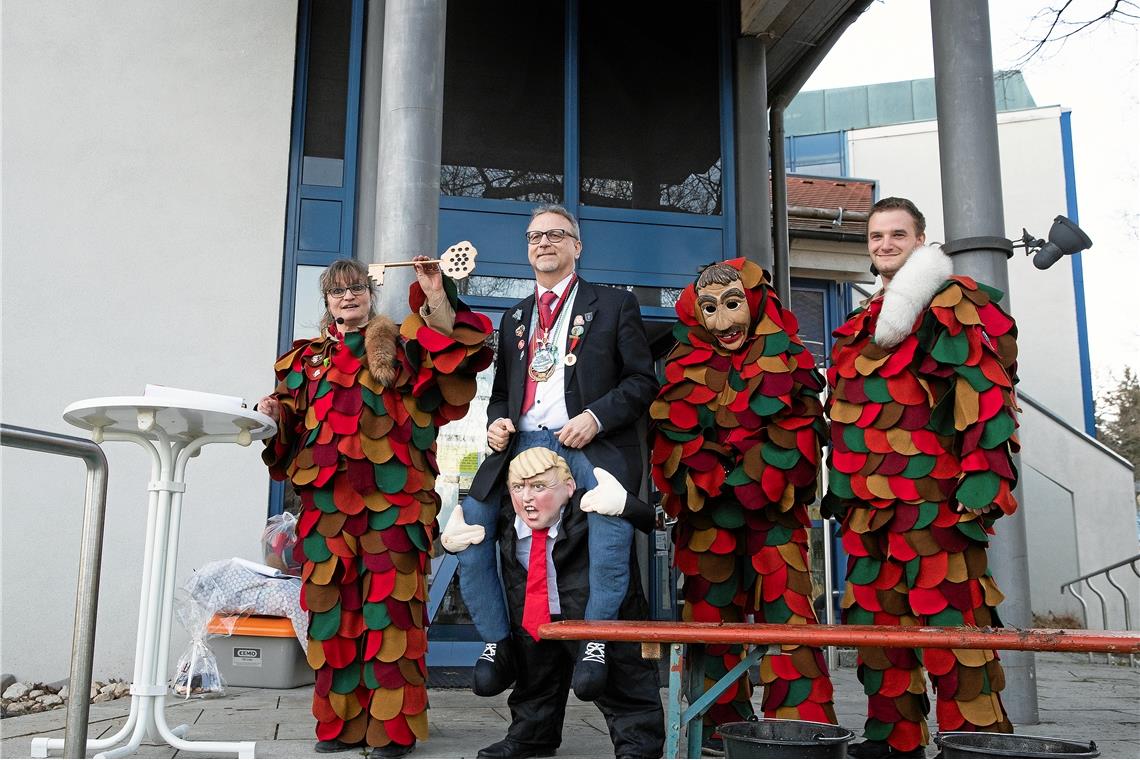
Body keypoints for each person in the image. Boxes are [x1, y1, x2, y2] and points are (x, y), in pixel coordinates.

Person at [258, 257, 493, 759]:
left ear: (370, 293)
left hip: (396, 503)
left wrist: (434, 294)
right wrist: (273, 413)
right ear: (326, 301)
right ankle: (340, 726)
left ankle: (392, 731)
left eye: (356, 288)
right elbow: (288, 428)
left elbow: (450, 357)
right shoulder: (303, 361)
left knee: (392, 612)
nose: (348, 297)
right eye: (337, 291)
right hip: (326, 507)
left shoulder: (402, 346)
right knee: (332, 613)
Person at [823, 197, 1020, 758]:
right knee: (880, 635)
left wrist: (983, 481)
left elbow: (985, 395)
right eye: (876, 236)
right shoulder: (863, 322)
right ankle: (894, 739)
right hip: (867, 510)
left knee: (952, 628)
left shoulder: (951, 303)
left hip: (933, 504)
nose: (884, 244)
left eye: (897, 235)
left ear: (920, 239)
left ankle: (973, 743)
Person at [444, 204, 657, 701]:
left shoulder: (614, 303)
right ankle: (497, 641)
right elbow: (502, 392)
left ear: (576, 246)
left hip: (584, 438)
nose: (543, 243)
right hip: (522, 443)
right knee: (468, 521)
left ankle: (597, 641)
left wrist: (597, 416)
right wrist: (498, 421)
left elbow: (642, 381)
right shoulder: (514, 315)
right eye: (534, 236)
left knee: (607, 518)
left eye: (556, 235)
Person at [650, 257, 837, 747]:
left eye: (732, 304)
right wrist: (708, 473)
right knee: (710, 617)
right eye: (710, 308)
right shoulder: (683, 363)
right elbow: (673, 434)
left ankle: (801, 727)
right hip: (708, 517)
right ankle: (717, 725)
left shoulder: (789, 358)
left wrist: (754, 472)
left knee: (789, 614)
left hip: (774, 514)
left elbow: (800, 430)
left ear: (754, 304)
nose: (723, 321)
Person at [445, 446, 664, 759]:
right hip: (535, 608)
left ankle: (638, 746)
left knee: (621, 677)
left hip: (590, 609)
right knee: (535, 675)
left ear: (570, 488)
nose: (527, 499)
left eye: (539, 487)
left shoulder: (593, 512)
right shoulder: (507, 516)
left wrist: (625, 504)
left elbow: (645, 517)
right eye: (518, 488)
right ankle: (532, 736)